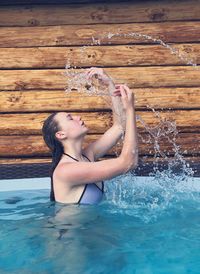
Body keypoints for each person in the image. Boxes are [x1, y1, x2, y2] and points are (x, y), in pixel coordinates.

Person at [42, 67, 138, 205]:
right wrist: (130, 109)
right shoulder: (65, 171)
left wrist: (109, 85)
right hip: (67, 227)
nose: (77, 117)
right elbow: (128, 163)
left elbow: (119, 127)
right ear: (61, 134)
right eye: (70, 118)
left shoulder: (87, 156)